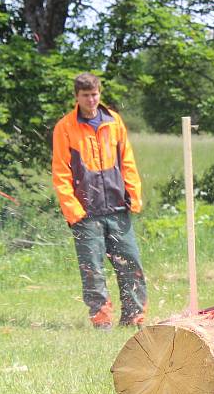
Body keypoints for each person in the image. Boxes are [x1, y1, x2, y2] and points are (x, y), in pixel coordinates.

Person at [52, 73, 148, 329]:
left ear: (99, 93)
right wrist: (73, 211)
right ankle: (101, 321)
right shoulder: (65, 127)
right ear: (77, 97)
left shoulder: (114, 121)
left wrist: (134, 196)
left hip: (118, 208)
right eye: (86, 95)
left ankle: (134, 317)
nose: (91, 100)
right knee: (92, 271)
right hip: (86, 214)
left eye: (94, 94)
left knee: (130, 265)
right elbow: (60, 172)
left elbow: (127, 161)